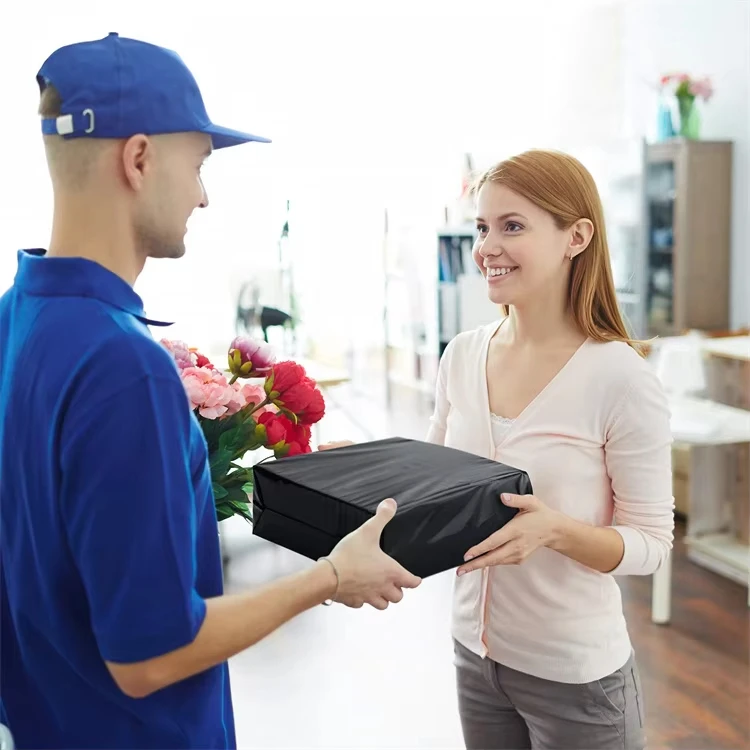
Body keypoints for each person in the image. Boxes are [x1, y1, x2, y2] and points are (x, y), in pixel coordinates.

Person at [0, 33, 420, 749]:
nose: (203, 194)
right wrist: (331, 577)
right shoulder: (123, 365)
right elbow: (150, 656)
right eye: (197, 164)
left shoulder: (17, 317)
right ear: (138, 159)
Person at [427, 150, 673, 750]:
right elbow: (431, 481)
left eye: (512, 226)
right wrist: (360, 467)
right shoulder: (462, 354)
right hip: (473, 657)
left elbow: (651, 545)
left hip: (576, 679)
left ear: (576, 238)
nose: (487, 247)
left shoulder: (620, 377)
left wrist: (555, 531)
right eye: (482, 227)